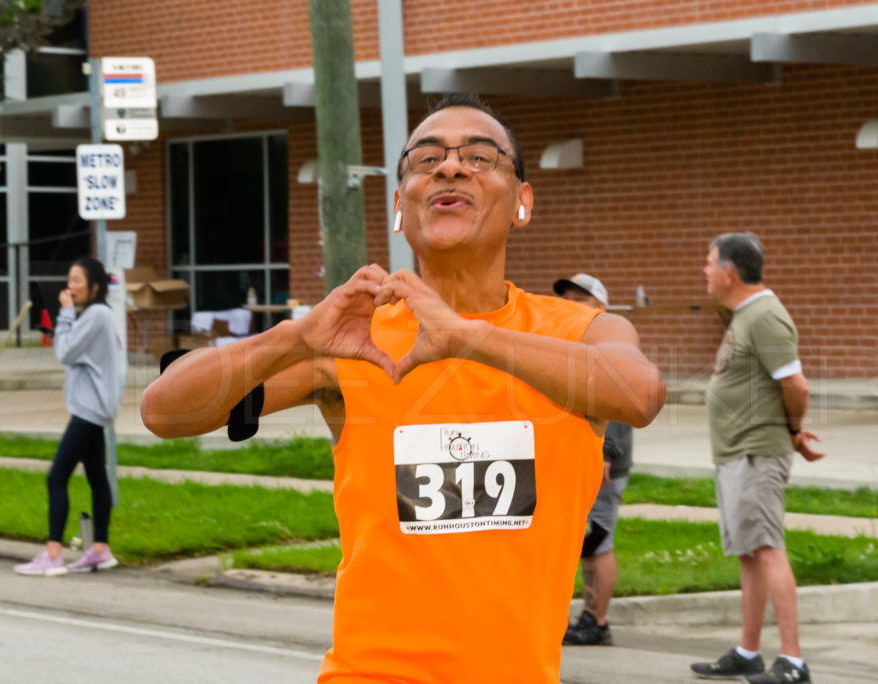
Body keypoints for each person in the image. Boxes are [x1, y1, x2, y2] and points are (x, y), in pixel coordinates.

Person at [141, 94, 665, 683]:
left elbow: (639, 393)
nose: (449, 167)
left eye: (481, 156)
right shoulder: (352, 341)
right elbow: (165, 410)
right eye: (426, 158)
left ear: (523, 202)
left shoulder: (580, 330)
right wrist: (294, 336)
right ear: (399, 205)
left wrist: (468, 338)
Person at [690, 233, 825, 684]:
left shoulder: (766, 316)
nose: (704, 272)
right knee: (750, 553)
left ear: (730, 271)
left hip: (756, 453)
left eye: (709, 264)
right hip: (737, 452)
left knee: (767, 549)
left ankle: (793, 662)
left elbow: (796, 386)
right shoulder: (747, 315)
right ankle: (749, 651)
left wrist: (790, 431)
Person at [15, 257, 126, 576]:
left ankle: (52, 555)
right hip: (95, 408)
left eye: (77, 281)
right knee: (96, 477)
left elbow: (65, 352)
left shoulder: (96, 315)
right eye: (69, 280)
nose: (70, 287)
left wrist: (63, 313)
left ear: (94, 286)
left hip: (89, 410)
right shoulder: (94, 315)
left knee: (56, 477)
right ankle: (100, 550)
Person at [553, 273, 634, 647]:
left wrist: (606, 453)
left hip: (603, 461)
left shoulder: (607, 343)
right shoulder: (573, 344)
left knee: (598, 540)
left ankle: (596, 622)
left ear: (601, 308)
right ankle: (588, 617)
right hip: (581, 456)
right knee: (587, 542)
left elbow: (617, 400)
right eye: (567, 296)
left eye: (580, 298)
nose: (571, 303)